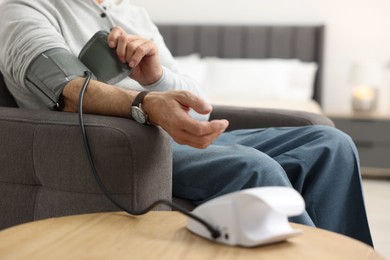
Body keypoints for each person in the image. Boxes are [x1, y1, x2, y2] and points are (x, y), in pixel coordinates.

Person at [0, 0, 373, 246]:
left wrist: (156, 77)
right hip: (116, 146)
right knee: (252, 167)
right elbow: (68, 90)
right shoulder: (23, 9)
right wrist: (148, 104)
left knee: (330, 144)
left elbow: (200, 104)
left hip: (171, 134)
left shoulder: (129, 10)